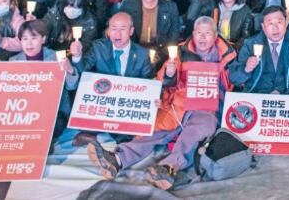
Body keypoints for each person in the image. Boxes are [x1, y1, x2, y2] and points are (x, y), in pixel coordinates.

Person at [87, 16, 236, 190]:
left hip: (207, 108)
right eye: (199, 33)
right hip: (179, 103)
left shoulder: (227, 57)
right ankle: (118, 159)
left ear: (216, 35)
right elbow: (161, 79)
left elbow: (236, 80)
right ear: (193, 34)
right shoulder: (180, 53)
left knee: (196, 133)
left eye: (207, 33)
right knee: (157, 129)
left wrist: (247, 69)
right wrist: (169, 75)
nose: (203, 37)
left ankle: (168, 168)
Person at [228, 5, 289, 95]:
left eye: (279, 22)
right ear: (263, 27)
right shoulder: (251, 44)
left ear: (286, 22)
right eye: (270, 23)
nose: (275, 28)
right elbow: (234, 78)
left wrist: (284, 95)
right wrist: (246, 69)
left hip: (288, 95)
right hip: (257, 95)